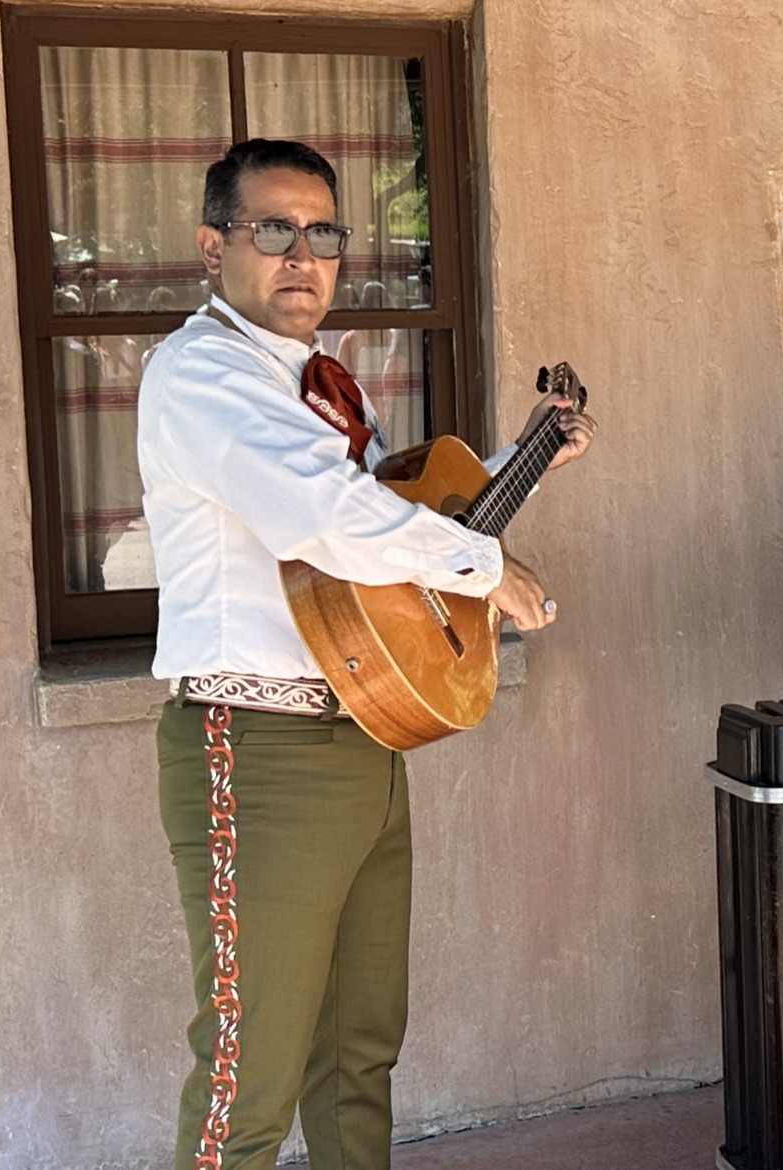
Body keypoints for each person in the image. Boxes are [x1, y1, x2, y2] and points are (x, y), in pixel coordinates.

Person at [140, 140, 595, 1170]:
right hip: (256, 748)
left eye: (323, 232)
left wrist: (517, 470)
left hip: (364, 736)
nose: (302, 255)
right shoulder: (205, 370)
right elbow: (325, 518)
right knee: (246, 1075)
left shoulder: (318, 381)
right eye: (271, 230)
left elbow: (383, 536)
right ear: (213, 248)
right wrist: (489, 566)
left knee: (356, 1055)